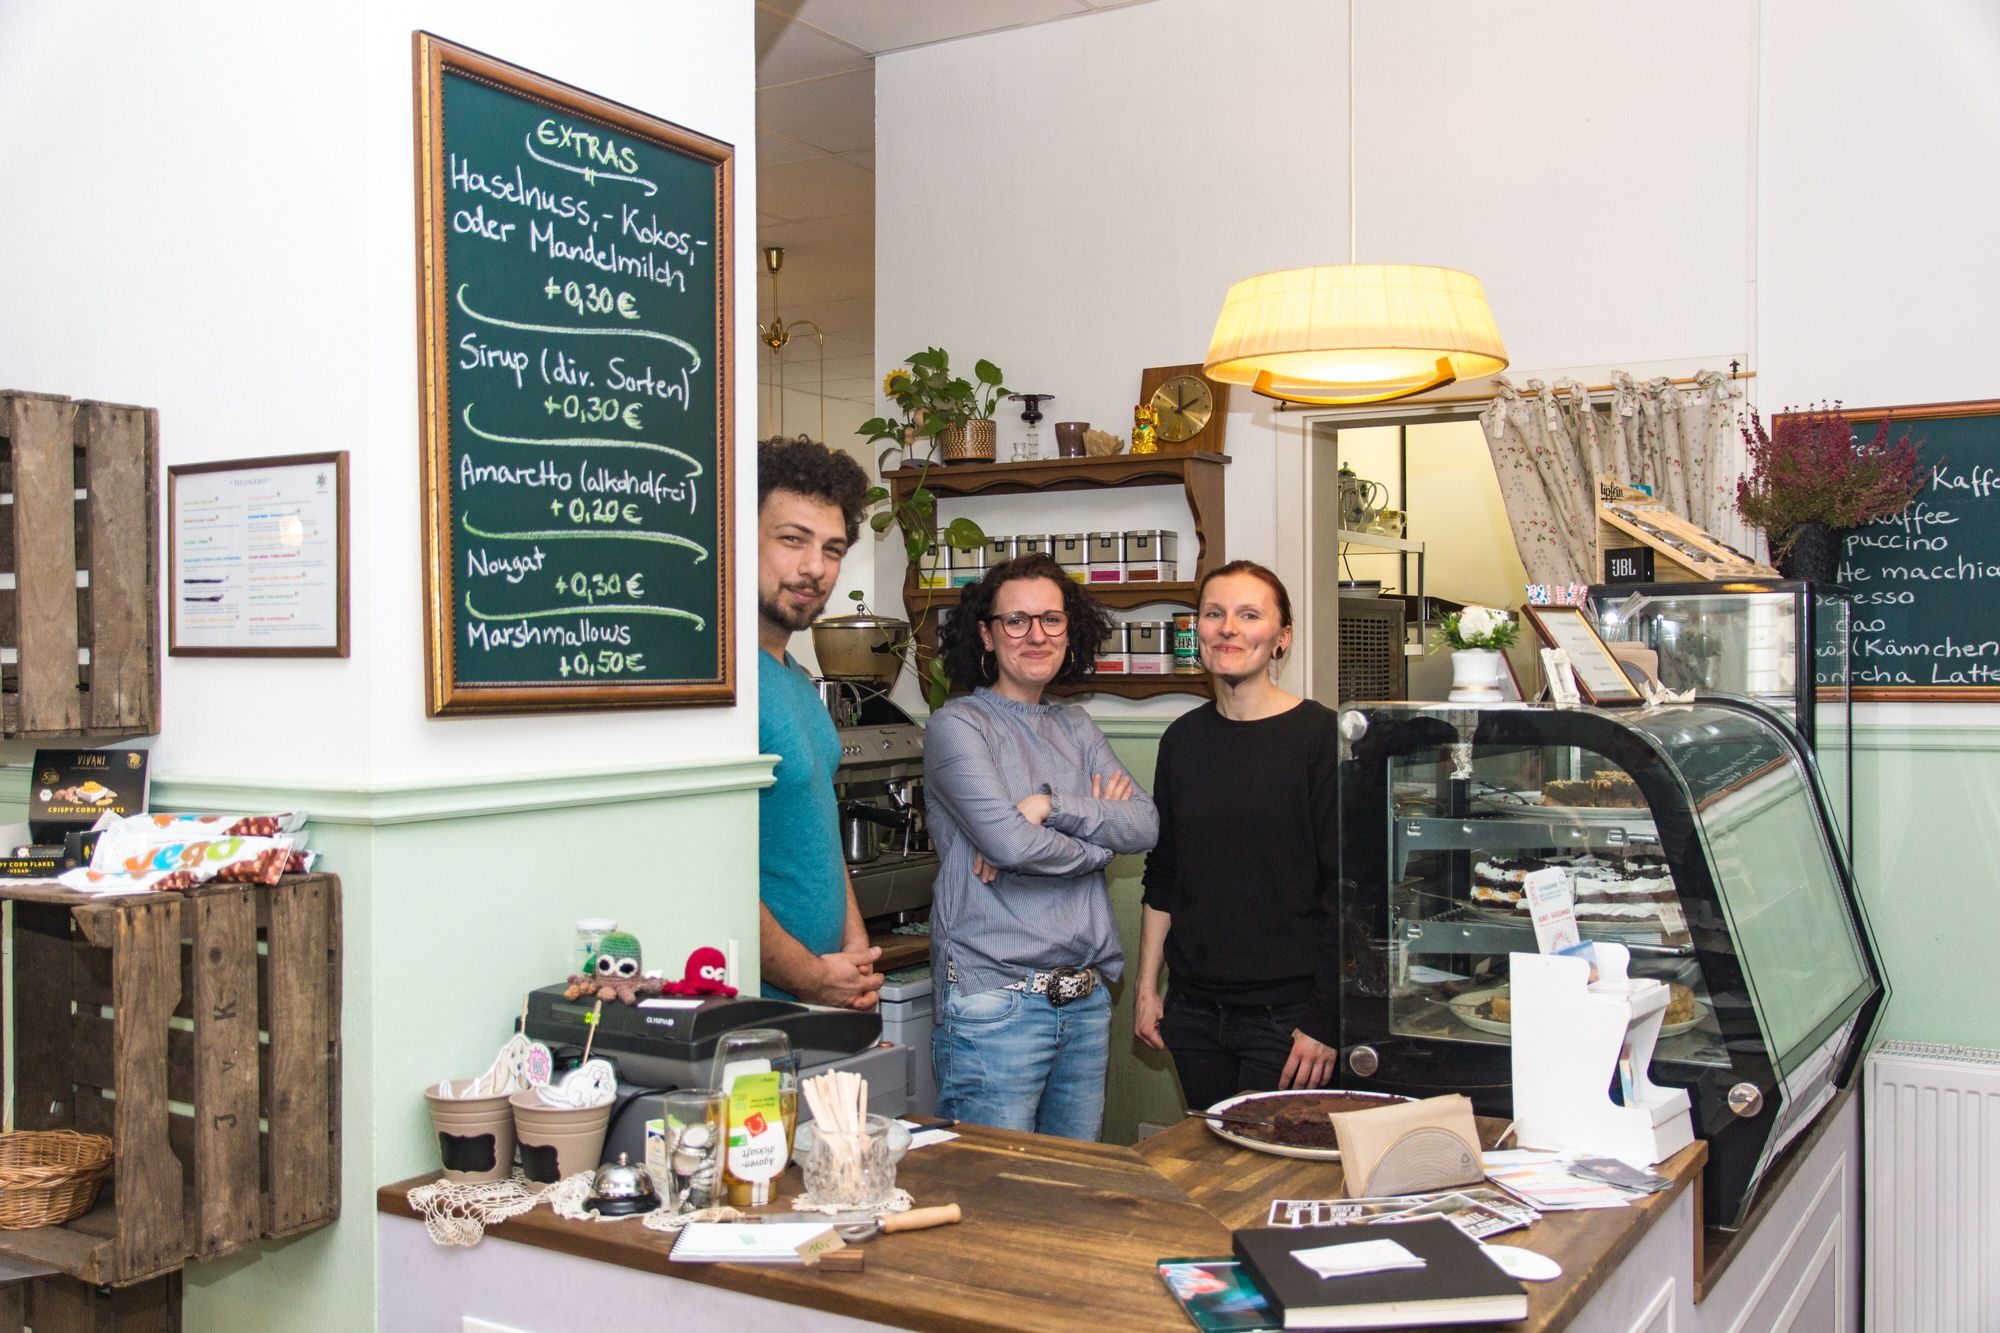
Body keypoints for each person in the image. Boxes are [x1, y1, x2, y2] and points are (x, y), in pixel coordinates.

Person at [922, 554, 1158, 1139]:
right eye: (1016, 621)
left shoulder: (1076, 727)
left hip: (1084, 1001)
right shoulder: (959, 726)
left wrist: (1052, 807)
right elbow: (1009, 844)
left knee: (1072, 1201)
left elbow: (1147, 823)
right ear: (986, 633)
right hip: (993, 1003)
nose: (1036, 636)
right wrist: (1099, 845)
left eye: (1051, 620)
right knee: (997, 1200)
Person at [1134, 560, 1341, 1111]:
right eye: (1215, 614)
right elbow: (1165, 875)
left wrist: (1326, 1018)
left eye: (1249, 615)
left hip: (1290, 1021)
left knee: (1272, 1179)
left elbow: (1346, 889)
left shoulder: (1321, 737)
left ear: (1281, 638)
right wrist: (1148, 989)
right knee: (1211, 1170)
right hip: (1194, 1013)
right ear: (1197, 629)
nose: (1229, 629)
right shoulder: (1182, 740)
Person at [755, 435, 883, 1010]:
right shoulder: (718, 687)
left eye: (832, 550)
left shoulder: (797, 680)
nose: (814, 568)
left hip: (819, 1002)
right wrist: (810, 975)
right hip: (756, 1006)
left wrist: (856, 958)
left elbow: (821, 839)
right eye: (791, 540)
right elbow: (709, 869)